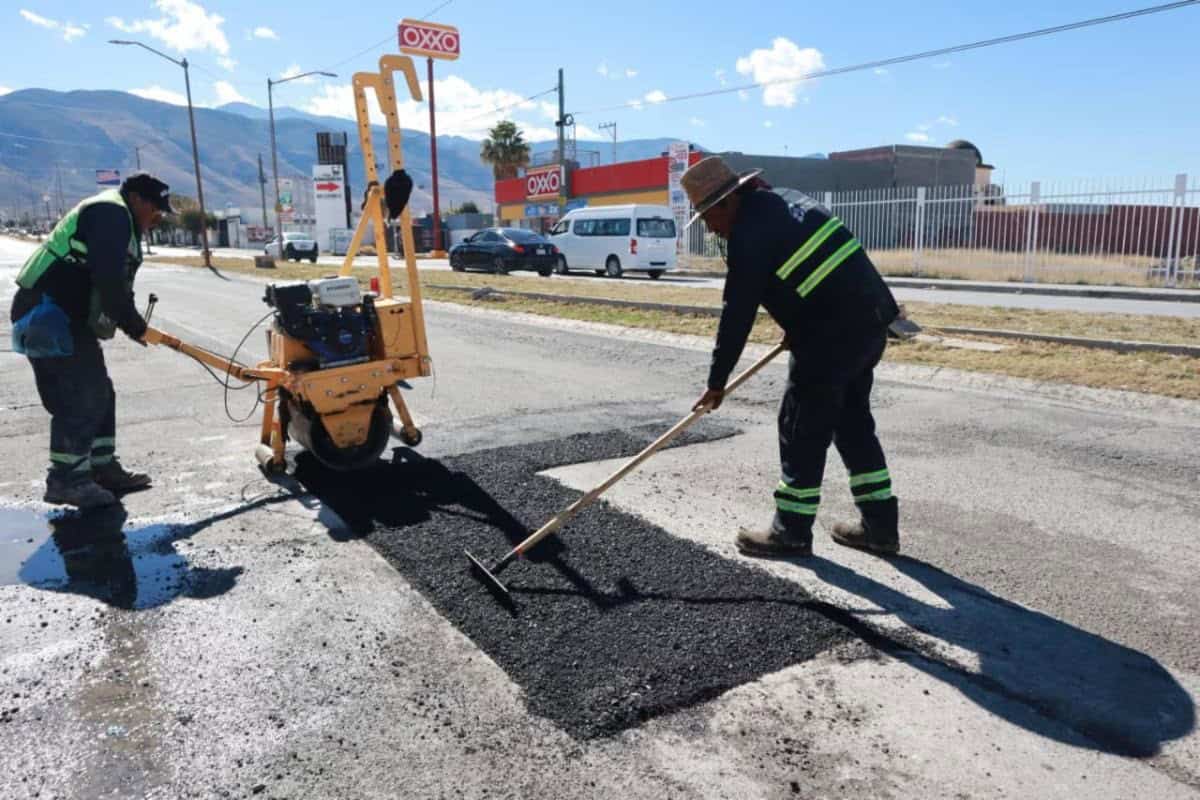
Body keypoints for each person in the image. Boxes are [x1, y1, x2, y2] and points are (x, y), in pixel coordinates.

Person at [682, 156, 902, 557]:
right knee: (852, 423)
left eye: (709, 217)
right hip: (870, 324)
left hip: (829, 336)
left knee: (800, 426)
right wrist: (798, 319)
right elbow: (813, 270)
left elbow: (737, 313)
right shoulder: (787, 201)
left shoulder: (748, 232)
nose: (711, 229)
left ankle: (791, 532)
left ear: (727, 202)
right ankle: (880, 527)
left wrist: (717, 382)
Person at [10, 173, 172, 508]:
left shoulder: (119, 216)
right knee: (81, 394)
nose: (156, 218)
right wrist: (133, 325)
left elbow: (115, 283)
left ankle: (101, 467)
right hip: (47, 313)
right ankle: (67, 480)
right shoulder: (110, 213)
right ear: (137, 199)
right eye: (155, 209)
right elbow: (108, 280)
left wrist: (131, 322)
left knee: (100, 391)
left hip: (65, 315)